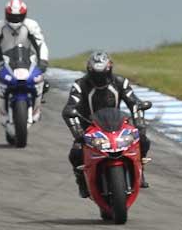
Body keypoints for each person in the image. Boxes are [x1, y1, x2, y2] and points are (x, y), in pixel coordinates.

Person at [61, 51, 152, 197]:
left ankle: (140, 170)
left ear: (109, 69)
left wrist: (140, 125)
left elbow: (134, 103)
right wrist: (78, 133)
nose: (99, 78)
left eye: (102, 74)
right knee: (76, 152)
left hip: (117, 125)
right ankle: (82, 182)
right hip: (90, 127)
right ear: (89, 71)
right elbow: (69, 108)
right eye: (96, 74)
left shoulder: (121, 82)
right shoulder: (79, 85)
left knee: (144, 140)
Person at [0, 0, 50, 116]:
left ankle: (38, 104)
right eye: (12, 16)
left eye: (18, 17)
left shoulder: (32, 25)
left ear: (24, 15)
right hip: (3, 62)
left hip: (27, 60)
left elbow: (41, 44)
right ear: (6, 14)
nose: (15, 20)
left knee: (45, 83)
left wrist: (43, 60)